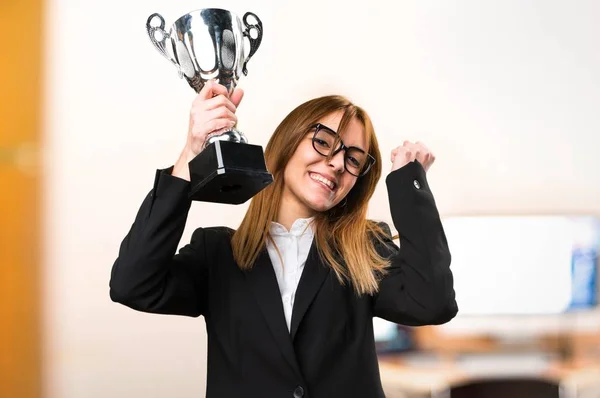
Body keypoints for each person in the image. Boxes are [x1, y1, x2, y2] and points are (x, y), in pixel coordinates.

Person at [109, 81, 458, 398]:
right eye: (323, 141)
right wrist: (190, 154)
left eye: (353, 159)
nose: (337, 163)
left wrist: (410, 187)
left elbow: (432, 303)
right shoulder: (217, 254)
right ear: (289, 142)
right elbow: (132, 284)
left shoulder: (364, 248)